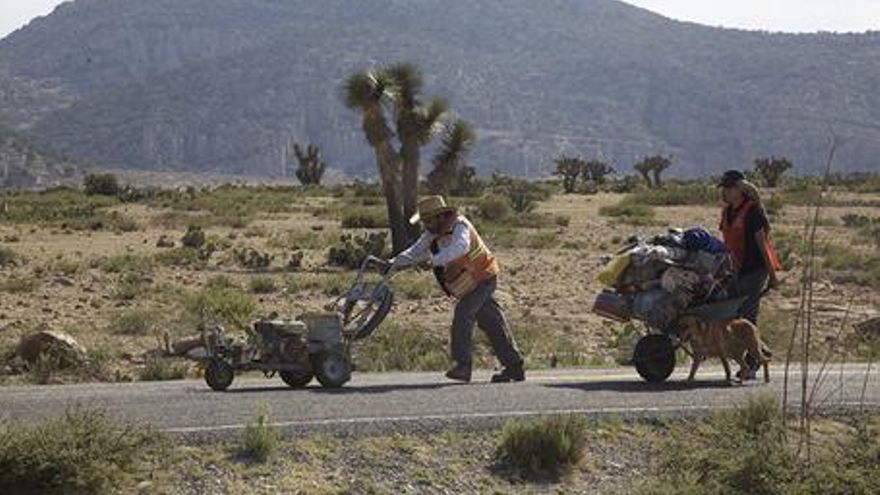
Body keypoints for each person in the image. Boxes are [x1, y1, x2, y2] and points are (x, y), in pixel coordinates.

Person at [389, 196, 525, 383]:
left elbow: (461, 247)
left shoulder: (460, 226)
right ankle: (514, 366)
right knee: (492, 322)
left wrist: (433, 261)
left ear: (440, 217)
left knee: (463, 313)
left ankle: (463, 365)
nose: (426, 225)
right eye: (424, 221)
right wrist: (393, 263)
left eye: (429, 220)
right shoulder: (432, 233)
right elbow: (415, 251)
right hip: (469, 282)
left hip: (484, 276)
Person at [718, 170, 782, 378]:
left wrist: (772, 276)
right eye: (724, 189)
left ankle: (753, 363)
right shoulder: (728, 212)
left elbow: (762, 245)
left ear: (739, 189)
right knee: (734, 315)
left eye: (729, 188)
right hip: (735, 270)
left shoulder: (753, 212)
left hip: (755, 269)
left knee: (748, 313)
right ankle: (761, 351)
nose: (725, 192)